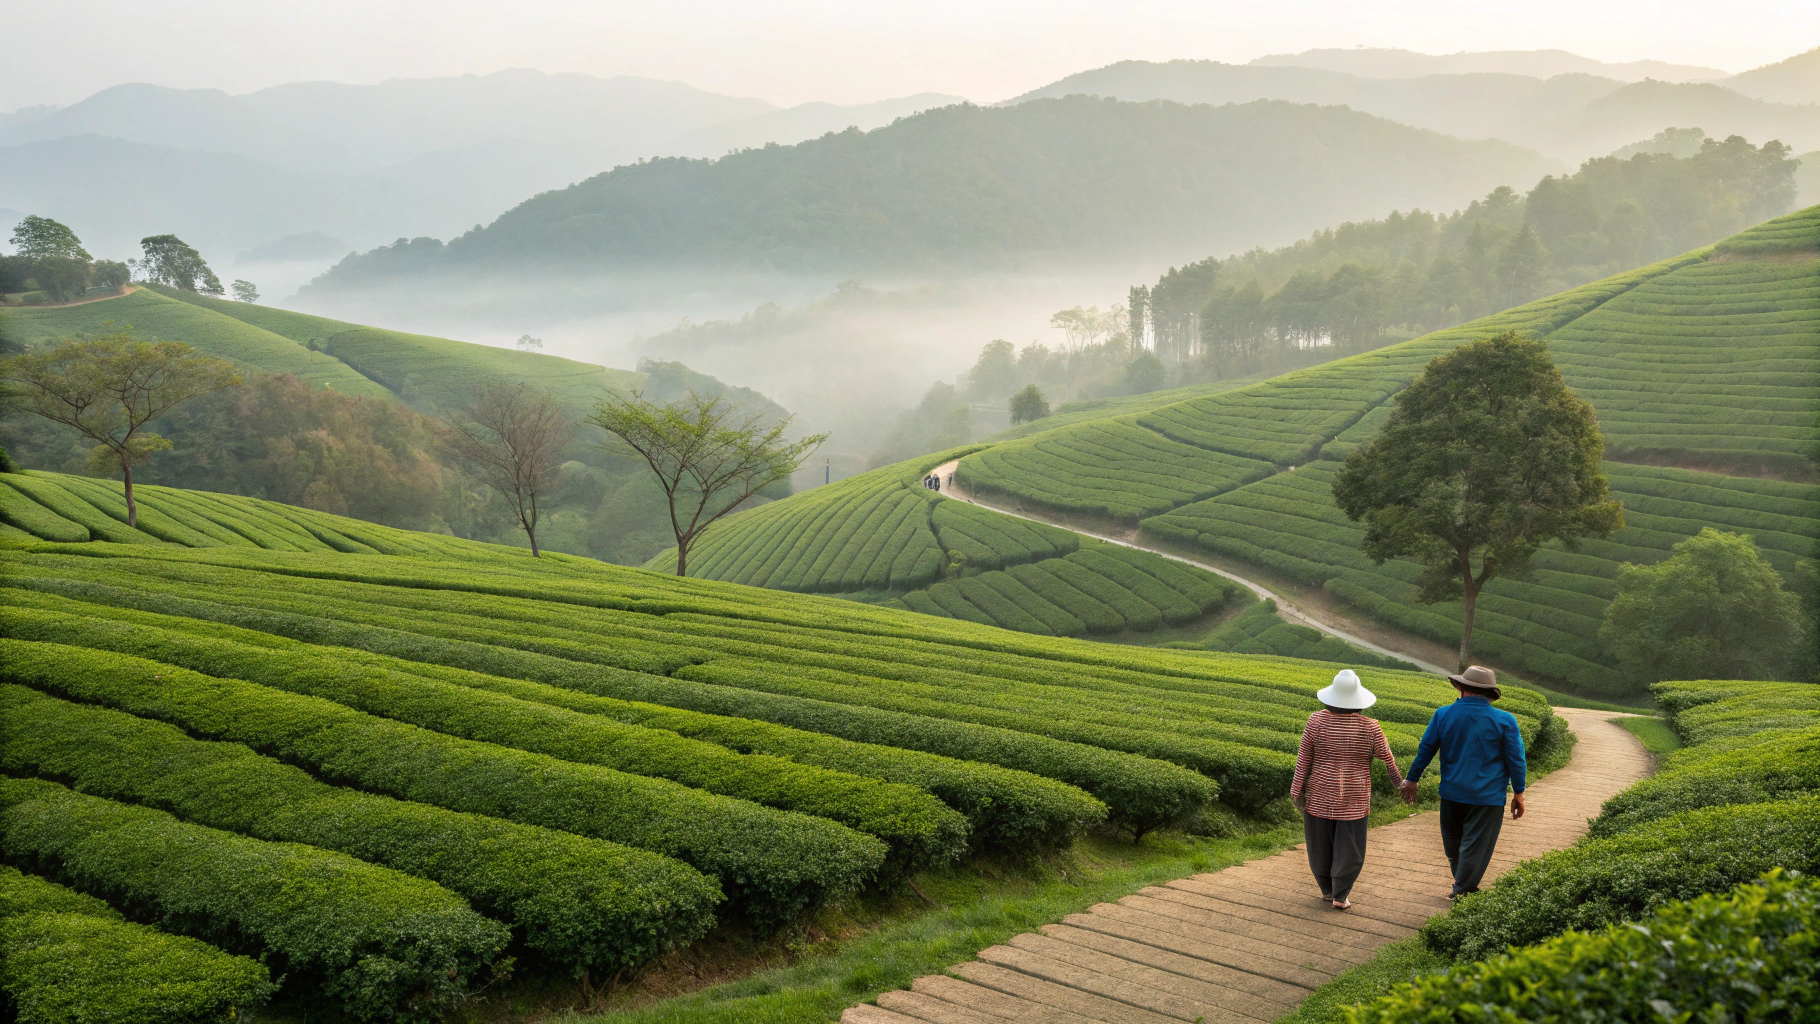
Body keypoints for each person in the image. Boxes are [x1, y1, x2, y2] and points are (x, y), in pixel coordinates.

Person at [1399, 665, 1526, 899]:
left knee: (1455, 845)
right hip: (1487, 798)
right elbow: (1516, 759)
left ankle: (1463, 887)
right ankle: (1463, 890)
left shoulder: (1443, 714)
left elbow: (1425, 750)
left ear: (1462, 689)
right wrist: (1518, 792)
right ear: (1489, 693)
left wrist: (1412, 778)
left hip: (1451, 793)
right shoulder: (1505, 720)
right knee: (1475, 846)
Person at [1290, 669, 1404, 910]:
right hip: (1355, 797)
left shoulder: (1316, 721)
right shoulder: (1371, 727)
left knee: (1319, 844)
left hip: (1318, 794)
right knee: (1350, 847)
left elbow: (1304, 760)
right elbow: (1388, 759)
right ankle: (1340, 896)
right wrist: (1400, 784)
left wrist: (1296, 790)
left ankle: (1326, 890)